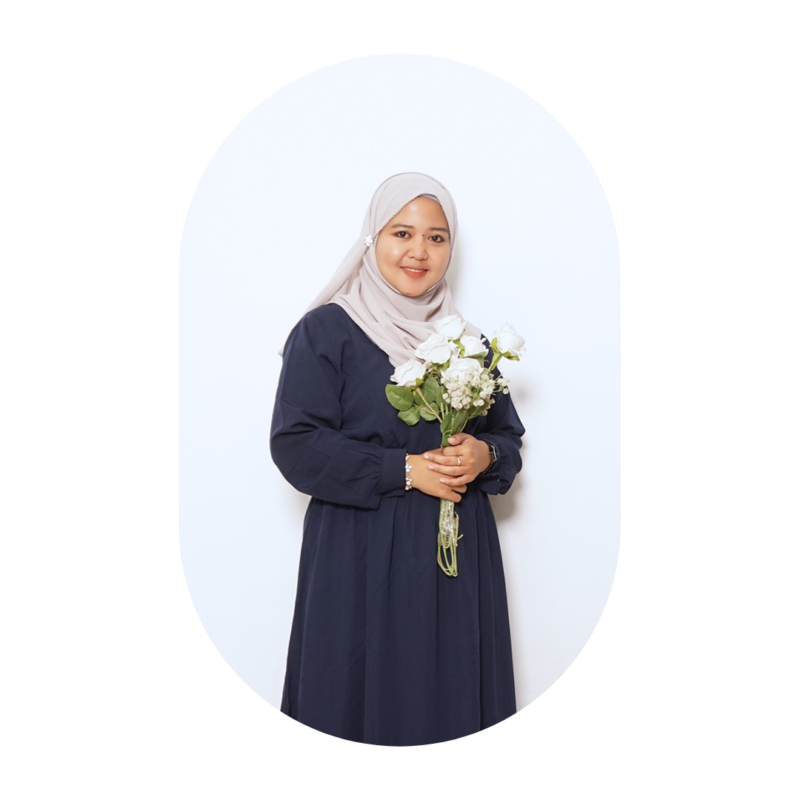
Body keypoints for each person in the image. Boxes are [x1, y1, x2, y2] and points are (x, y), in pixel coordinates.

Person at [271, 172, 524, 746]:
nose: (419, 251)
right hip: (356, 551)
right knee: (352, 699)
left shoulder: (470, 344)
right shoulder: (326, 331)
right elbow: (296, 443)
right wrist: (405, 470)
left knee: (450, 701)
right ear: (373, 238)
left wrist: (484, 454)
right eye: (402, 233)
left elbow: (507, 439)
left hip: (456, 553)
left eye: (437, 238)